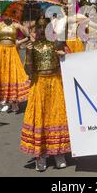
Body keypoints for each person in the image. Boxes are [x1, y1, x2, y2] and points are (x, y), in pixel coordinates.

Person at [20, 17, 71, 171]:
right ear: (35, 30)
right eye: (39, 27)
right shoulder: (32, 47)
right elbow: (28, 72)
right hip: (39, 84)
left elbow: (66, 36)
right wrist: (28, 54)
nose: (42, 30)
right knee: (39, 118)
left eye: (45, 27)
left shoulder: (56, 43)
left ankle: (58, 153)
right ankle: (40, 155)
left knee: (57, 116)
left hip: (55, 83)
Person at [0, 16, 31, 113]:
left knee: (13, 75)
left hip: (12, 51)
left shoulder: (16, 25)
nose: (7, 15)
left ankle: (14, 101)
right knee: (2, 75)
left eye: (10, 13)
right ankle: (7, 101)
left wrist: (19, 42)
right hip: (1, 52)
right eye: (5, 13)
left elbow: (29, 36)